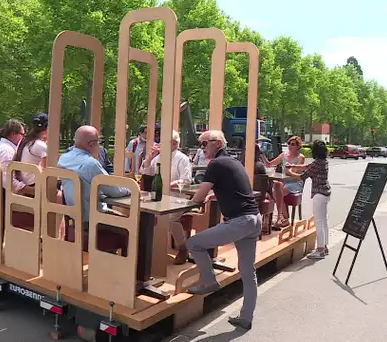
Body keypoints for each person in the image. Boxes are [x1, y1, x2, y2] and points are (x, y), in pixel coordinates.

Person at [187, 130, 261, 330]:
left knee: (194, 243)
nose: (201, 148)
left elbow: (198, 197)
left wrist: (180, 209)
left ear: (218, 143)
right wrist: (215, 195)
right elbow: (232, 188)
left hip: (240, 221)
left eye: (205, 144)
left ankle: (209, 282)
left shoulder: (216, 164)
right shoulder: (233, 162)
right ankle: (246, 317)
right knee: (248, 272)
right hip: (254, 219)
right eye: (200, 144)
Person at [58, 125, 131, 252]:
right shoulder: (90, 163)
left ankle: (106, 260)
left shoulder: (64, 158)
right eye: (99, 142)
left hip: (75, 217)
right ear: (91, 144)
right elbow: (113, 190)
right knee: (131, 227)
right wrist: (130, 189)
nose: (100, 145)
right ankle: (123, 267)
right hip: (93, 218)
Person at [140, 130, 192, 264]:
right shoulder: (159, 157)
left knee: (168, 218)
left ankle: (183, 249)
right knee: (143, 213)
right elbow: (146, 172)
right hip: (159, 196)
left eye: (163, 142)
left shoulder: (182, 158)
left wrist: (170, 185)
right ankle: (147, 250)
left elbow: (186, 180)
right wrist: (150, 158)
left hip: (178, 197)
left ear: (174, 144)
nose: (159, 144)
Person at [0, 119, 34, 224]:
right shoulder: (7, 151)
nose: (23, 138)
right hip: (4, 201)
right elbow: (8, 182)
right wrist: (29, 189)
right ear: (13, 134)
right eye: (22, 134)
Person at [288, 140, 331, 259]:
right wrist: (293, 165)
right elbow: (307, 166)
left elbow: (302, 176)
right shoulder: (323, 161)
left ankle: (320, 249)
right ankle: (325, 247)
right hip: (326, 193)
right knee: (324, 221)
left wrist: (290, 172)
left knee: (319, 222)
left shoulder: (317, 163)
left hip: (319, 194)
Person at [265, 136, 305, 228]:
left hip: (295, 183)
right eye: (289, 144)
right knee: (276, 186)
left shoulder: (300, 157)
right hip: (284, 182)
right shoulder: (284, 155)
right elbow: (270, 164)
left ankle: (283, 217)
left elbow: (295, 173)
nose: (290, 146)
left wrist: (288, 169)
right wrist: (262, 156)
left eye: (293, 144)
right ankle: (282, 217)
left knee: (278, 191)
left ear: (298, 146)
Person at [13, 113, 48, 186]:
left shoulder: (25, 141)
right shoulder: (40, 145)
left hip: (23, 180)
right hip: (34, 184)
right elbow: (48, 169)